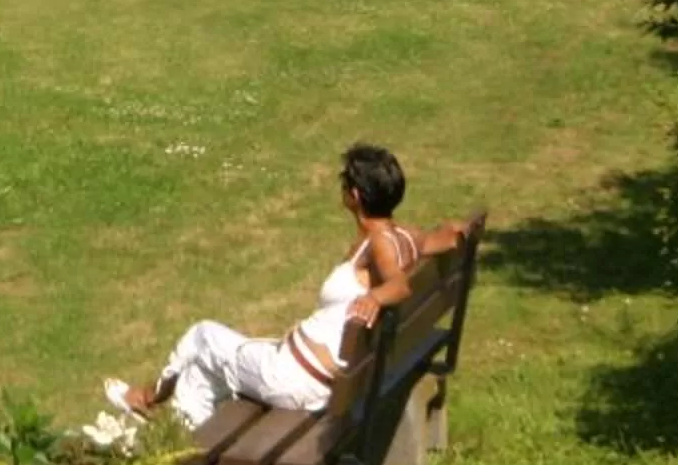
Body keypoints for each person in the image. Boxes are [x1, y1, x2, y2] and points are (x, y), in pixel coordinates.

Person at [95, 144, 447, 444]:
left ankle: (150, 401)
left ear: (354, 196)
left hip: (295, 381)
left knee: (201, 337)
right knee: (204, 368)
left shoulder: (381, 243)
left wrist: (374, 298)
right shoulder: (405, 237)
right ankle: (178, 435)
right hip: (314, 375)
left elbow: (399, 285)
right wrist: (463, 232)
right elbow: (440, 240)